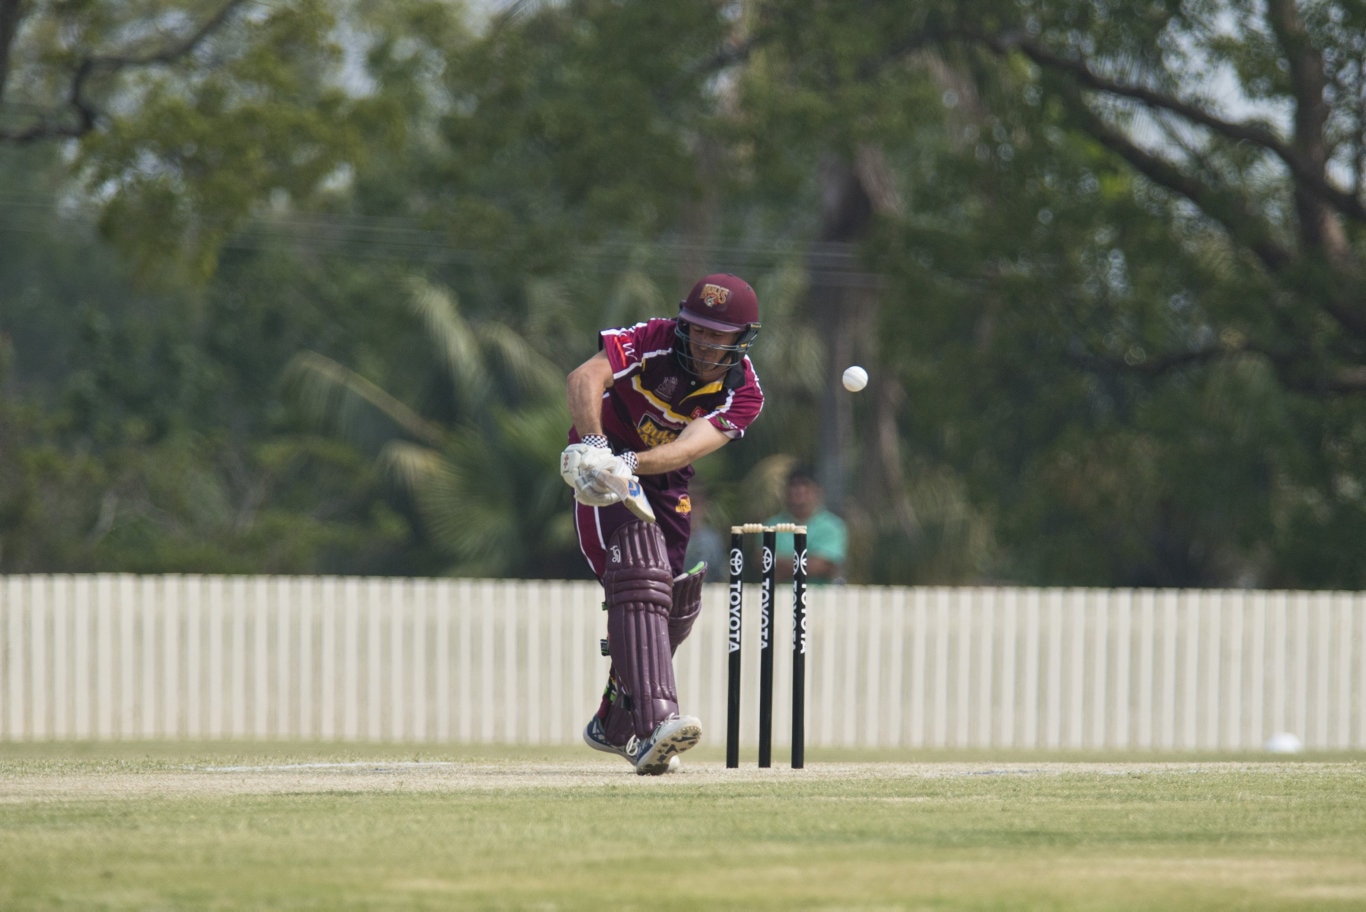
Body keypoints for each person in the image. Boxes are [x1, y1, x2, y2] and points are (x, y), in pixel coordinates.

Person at [559, 273, 764, 774]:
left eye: (718, 335)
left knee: (674, 595)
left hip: (662, 478)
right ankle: (656, 725)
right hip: (597, 463)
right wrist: (598, 450)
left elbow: (689, 447)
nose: (704, 341)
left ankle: (614, 722)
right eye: (697, 329)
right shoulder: (653, 339)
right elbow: (584, 379)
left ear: (740, 339)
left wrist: (630, 465)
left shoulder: (744, 393)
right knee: (639, 573)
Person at [766, 465, 847, 585]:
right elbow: (764, 563)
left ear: (817, 490)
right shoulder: (770, 525)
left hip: (820, 599)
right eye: (793, 484)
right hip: (777, 597)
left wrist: (780, 564)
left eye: (805, 484)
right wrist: (806, 564)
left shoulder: (833, 526)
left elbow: (822, 566)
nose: (799, 490)